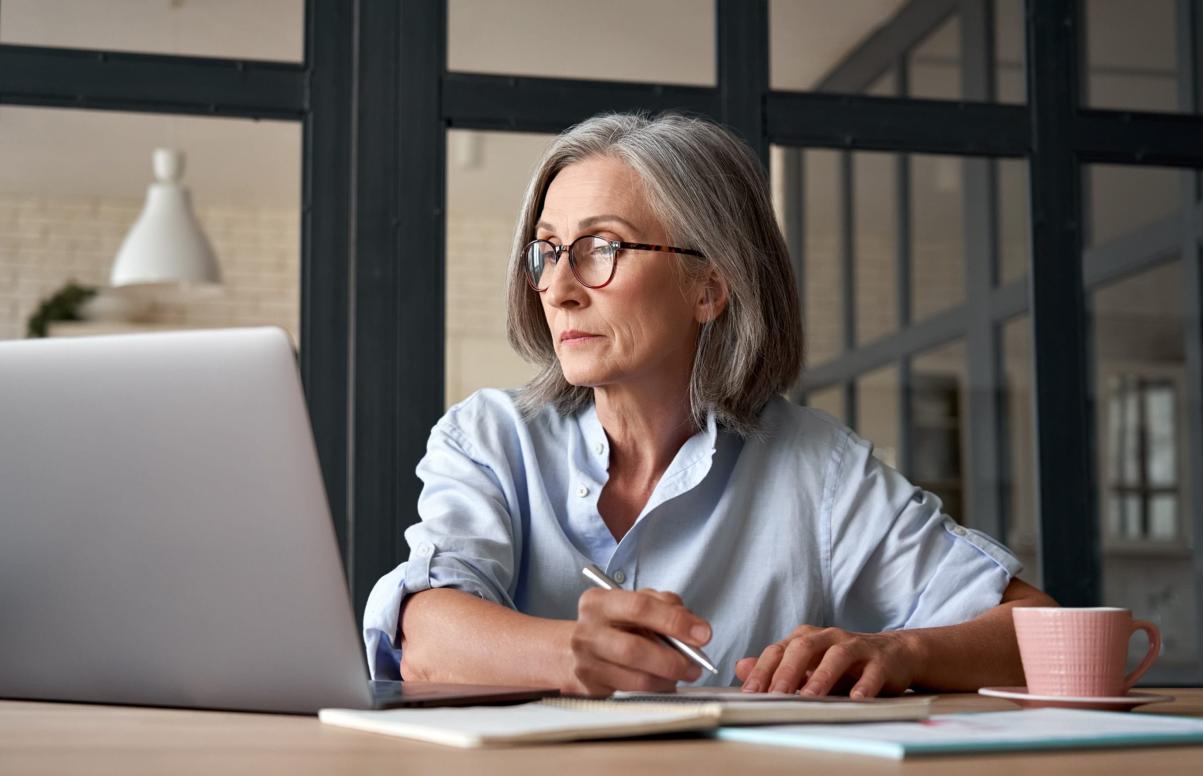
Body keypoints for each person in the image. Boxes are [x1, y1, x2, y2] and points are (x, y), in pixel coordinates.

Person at [363, 112, 1055, 698]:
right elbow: (424, 636)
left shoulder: (819, 469)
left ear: (709, 288)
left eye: (599, 247)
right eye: (546, 251)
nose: (560, 288)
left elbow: (1044, 634)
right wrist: (573, 653)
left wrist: (900, 654)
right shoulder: (488, 437)